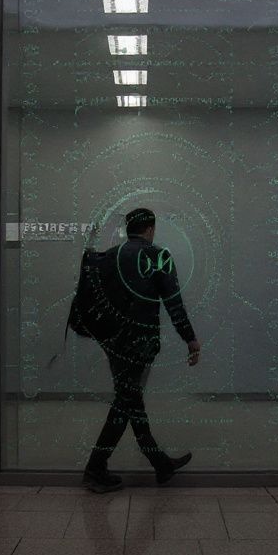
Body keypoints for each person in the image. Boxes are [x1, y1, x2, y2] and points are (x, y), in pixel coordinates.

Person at [84, 207, 201, 493]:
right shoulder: (157, 256)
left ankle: (160, 465)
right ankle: (95, 468)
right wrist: (190, 338)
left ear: (128, 228)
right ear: (150, 229)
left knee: (130, 399)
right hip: (140, 343)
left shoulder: (111, 256)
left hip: (113, 343)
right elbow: (173, 302)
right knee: (126, 402)